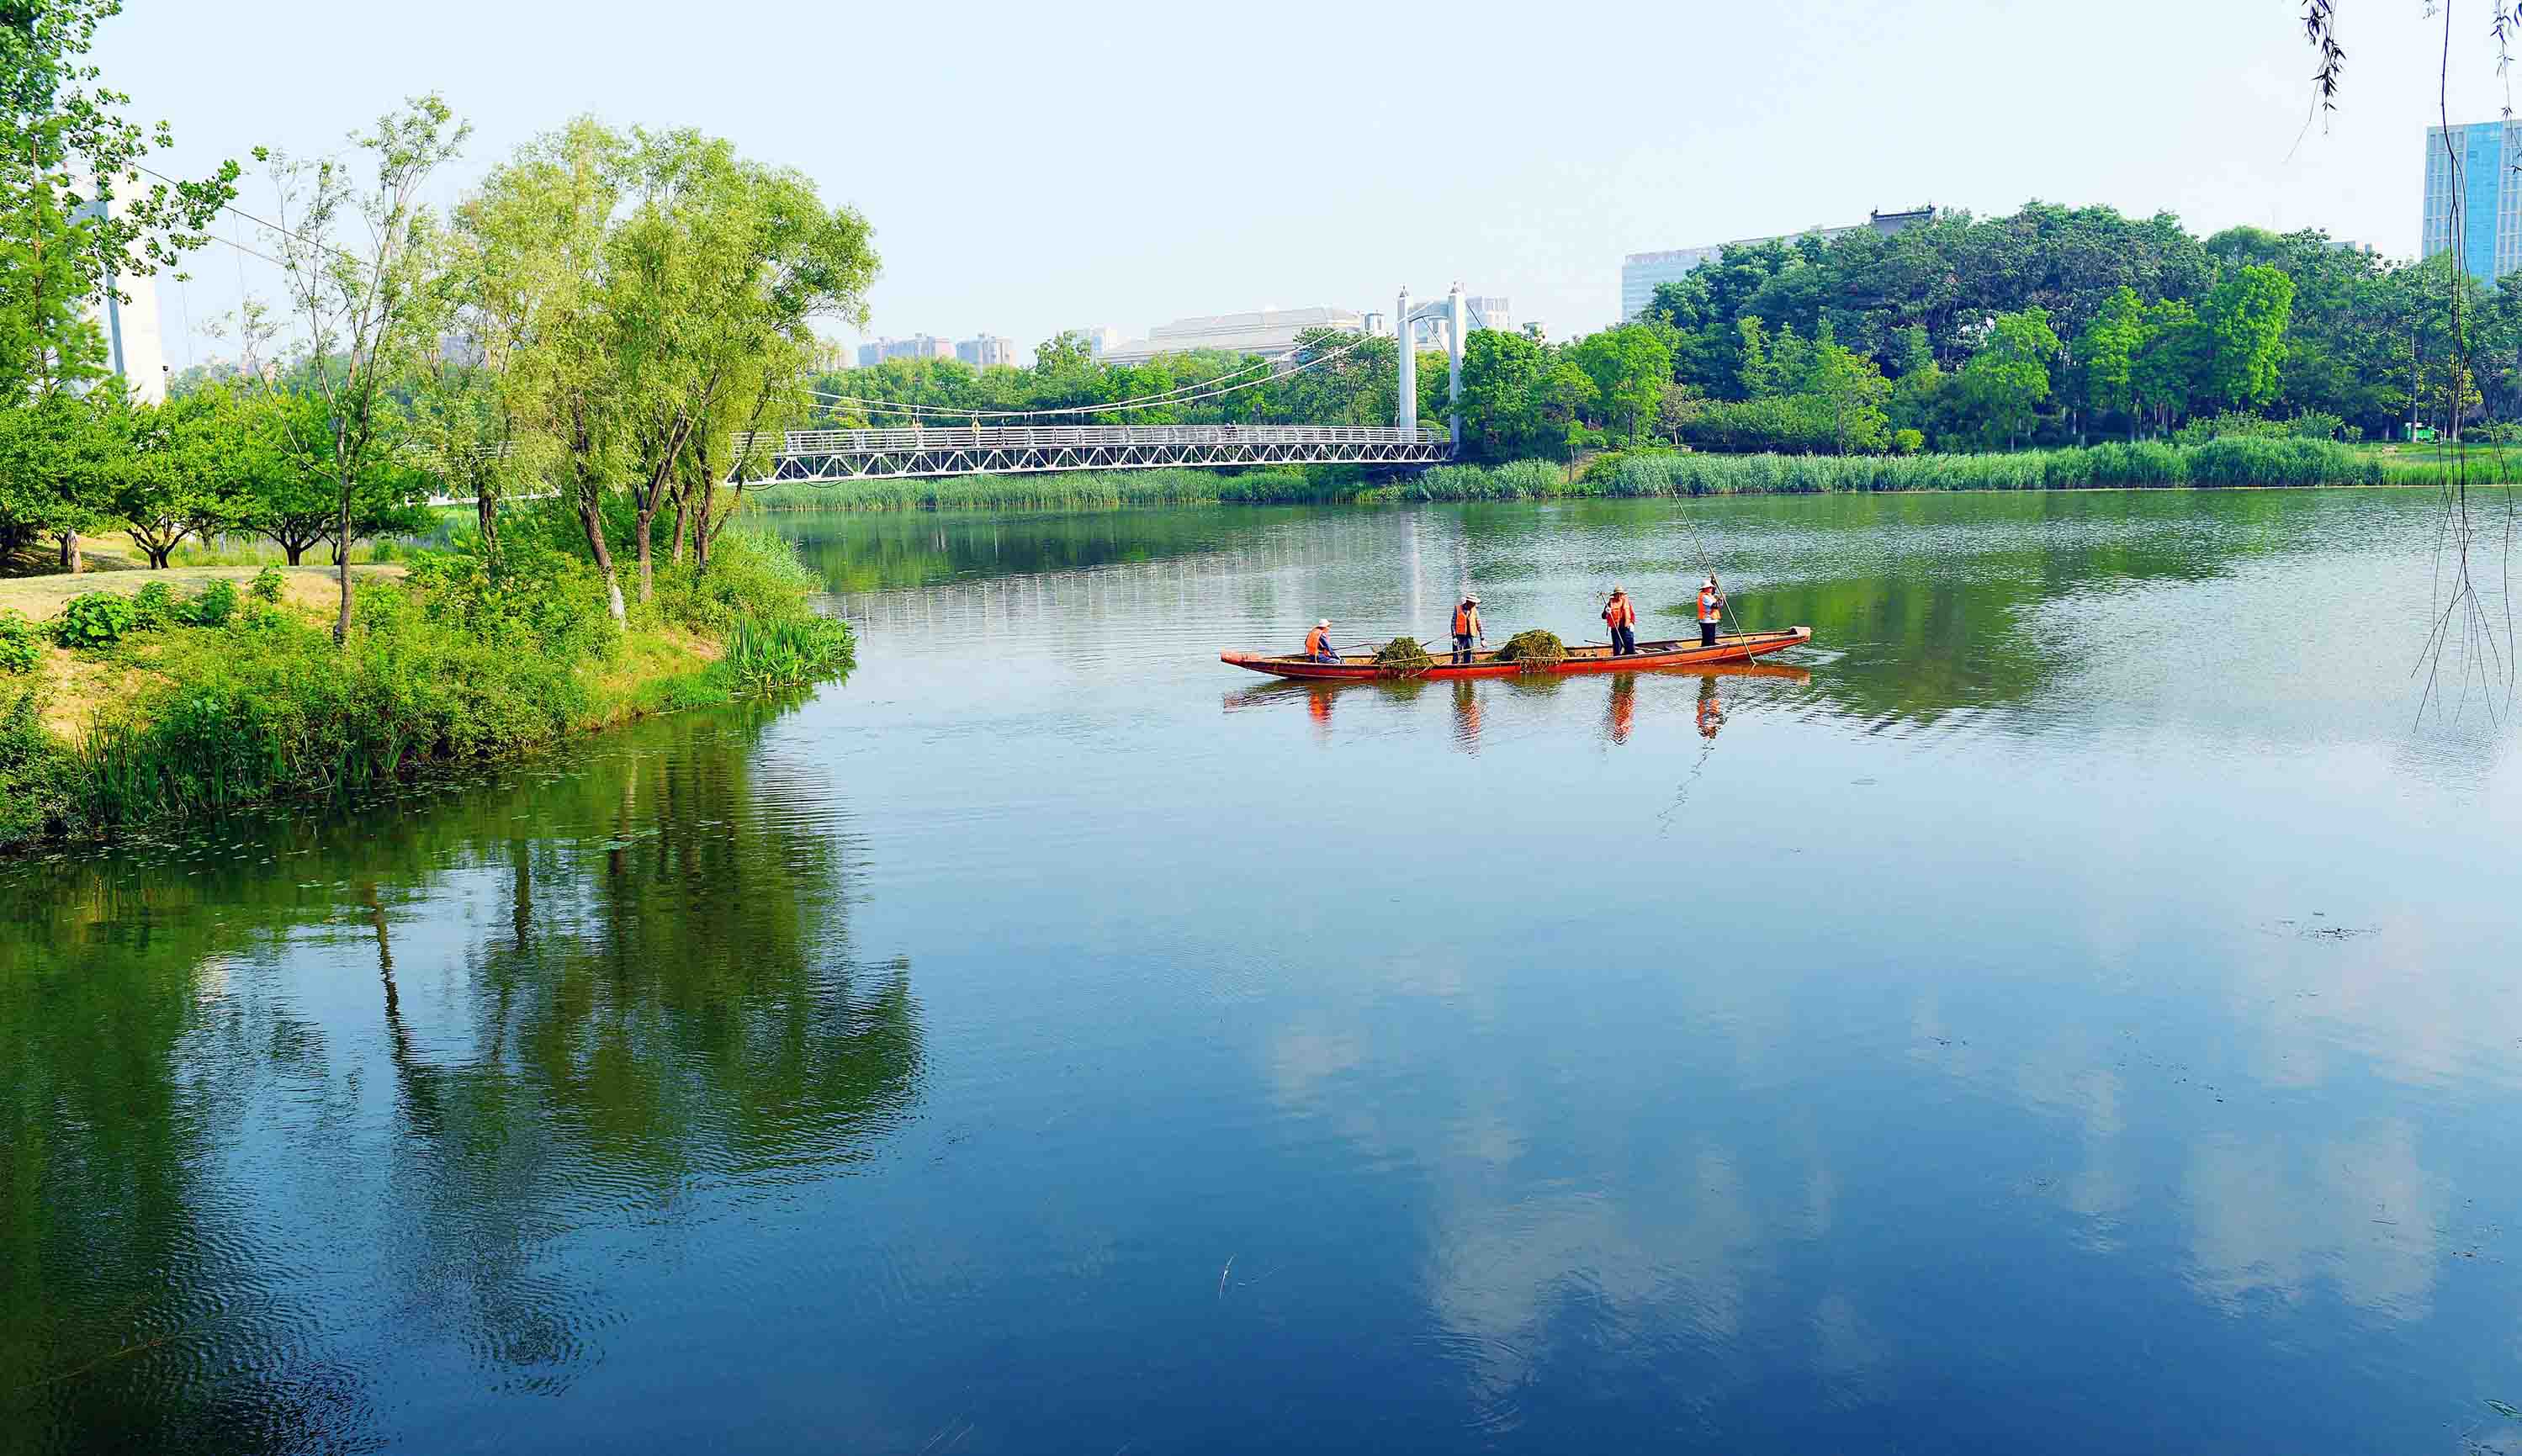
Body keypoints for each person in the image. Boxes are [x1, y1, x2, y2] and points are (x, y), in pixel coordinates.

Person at [1602, 586, 1638, 657]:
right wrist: (1607, 611)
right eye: (1617, 594)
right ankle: (1617, 660)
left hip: (1627, 628)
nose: (1619, 596)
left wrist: (1632, 624)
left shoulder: (1627, 603)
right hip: (1616, 629)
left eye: (1621, 594)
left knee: (1630, 648)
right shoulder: (1610, 604)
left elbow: (1632, 614)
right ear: (1614, 595)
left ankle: (1630, 658)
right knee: (1617, 649)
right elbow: (1603, 616)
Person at [1449, 594, 1484, 665]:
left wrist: (1482, 639)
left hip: (1469, 636)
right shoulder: (1458, 609)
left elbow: (1479, 624)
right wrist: (1454, 637)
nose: (1474, 605)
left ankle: (1467, 666)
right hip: (1459, 636)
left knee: (1468, 652)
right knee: (1456, 654)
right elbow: (1453, 623)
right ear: (1468, 602)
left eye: (1475, 603)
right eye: (1473, 603)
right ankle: (1455, 667)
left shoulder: (1474, 611)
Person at [1696, 574, 1726, 649]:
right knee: (1708, 641)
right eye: (1710, 587)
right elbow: (1715, 606)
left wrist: (1713, 580)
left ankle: (1706, 650)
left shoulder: (1708, 595)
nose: (1711, 588)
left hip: (1710, 621)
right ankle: (1706, 652)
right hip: (1707, 621)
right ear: (1705, 588)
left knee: (1709, 639)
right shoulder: (1705, 597)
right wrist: (1721, 599)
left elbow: (1713, 591)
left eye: (1711, 587)